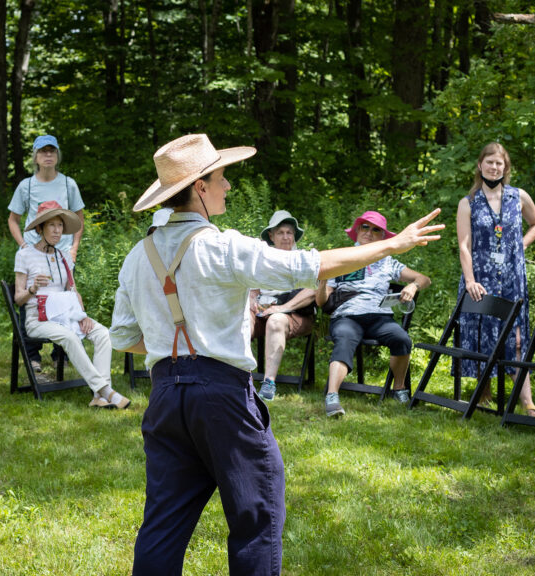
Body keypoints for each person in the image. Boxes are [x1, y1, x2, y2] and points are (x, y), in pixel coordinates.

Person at [110, 134, 443, 575]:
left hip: (166, 396)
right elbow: (311, 265)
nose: (228, 186)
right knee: (256, 516)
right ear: (200, 188)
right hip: (221, 398)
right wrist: (389, 245)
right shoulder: (223, 246)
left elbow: (124, 336)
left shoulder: (138, 255)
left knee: (163, 523)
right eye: (222, 177)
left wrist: (176, 351)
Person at [456, 142, 535, 416]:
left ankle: (525, 399)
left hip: (512, 279)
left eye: (499, 163)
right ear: (480, 165)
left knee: (517, 337)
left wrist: (520, 247)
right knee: (483, 334)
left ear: (506, 168)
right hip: (480, 276)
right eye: (490, 162)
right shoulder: (468, 203)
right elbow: (463, 245)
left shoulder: (519, 197)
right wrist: (470, 280)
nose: (494, 167)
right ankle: (483, 391)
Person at [14, 201, 128, 409]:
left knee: (102, 333)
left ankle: (98, 398)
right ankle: (105, 390)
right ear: (40, 228)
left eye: (60, 225)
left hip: (66, 315)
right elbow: (18, 298)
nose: (58, 231)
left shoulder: (63, 256)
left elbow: (73, 290)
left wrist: (82, 315)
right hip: (37, 319)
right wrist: (32, 289)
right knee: (70, 336)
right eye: (52, 225)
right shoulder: (25, 255)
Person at [317, 211, 431, 415]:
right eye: (365, 227)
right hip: (347, 315)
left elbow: (424, 279)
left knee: (401, 338)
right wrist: (323, 280)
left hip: (379, 317)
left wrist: (413, 287)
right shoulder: (343, 257)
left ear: (382, 237)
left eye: (376, 229)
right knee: (344, 338)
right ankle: (332, 396)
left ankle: (398, 389)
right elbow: (322, 302)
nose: (369, 232)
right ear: (357, 231)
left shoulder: (387, 261)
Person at [8, 134, 86, 375]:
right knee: (30, 300)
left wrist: (73, 248)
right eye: (43, 152)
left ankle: (60, 354)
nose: (48, 155)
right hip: (34, 254)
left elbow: (79, 219)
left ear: (58, 155)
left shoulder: (68, 184)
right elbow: (13, 220)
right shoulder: (27, 185)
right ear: (36, 157)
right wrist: (23, 245)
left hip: (61, 253)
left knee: (64, 300)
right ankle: (32, 356)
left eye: (52, 151)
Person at [249, 210, 316, 401]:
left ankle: (269, 382)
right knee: (241, 317)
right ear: (271, 236)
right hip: (263, 310)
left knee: (276, 321)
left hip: (296, 314)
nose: (286, 237)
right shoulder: (262, 259)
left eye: (289, 232)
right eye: (280, 233)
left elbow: (312, 291)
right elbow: (252, 291)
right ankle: (237, 376)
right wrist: (251, 304)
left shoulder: (303, 259)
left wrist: (281, 308)